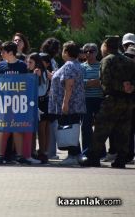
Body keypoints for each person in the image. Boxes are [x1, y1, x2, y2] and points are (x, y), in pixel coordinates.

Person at [81, 36, 135, 168]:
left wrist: (117, 87)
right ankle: (121, 159)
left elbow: (105, 81)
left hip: (111, 99)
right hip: (128, 101)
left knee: (101, 128)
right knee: (123, 130)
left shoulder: (107, 60)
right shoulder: (129, 61)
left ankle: (94, 157)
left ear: (106, 46)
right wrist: (130, 87)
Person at [0, 41, 31, 165]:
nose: (1, 54)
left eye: (3, 51)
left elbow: (25, 83)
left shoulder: (22, 66)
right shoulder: (1, 66)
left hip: (17, 102)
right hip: (2, 102)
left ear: (10, 52)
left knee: (17, 127)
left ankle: (19, 155)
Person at [49, 41, 86, 166]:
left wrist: (65, 103)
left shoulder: (69, 65)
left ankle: (72, 155)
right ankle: (77, 154)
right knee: (73, 129)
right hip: (77, 103)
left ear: (66, 52)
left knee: (69, 128)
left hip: (70, 104)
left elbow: (69, 85)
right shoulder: (77, 64)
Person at [80, 43, 104, 156]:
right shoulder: (82, 66)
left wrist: (89, 82)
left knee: (100, 127)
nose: (89, 53)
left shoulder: (101, 65)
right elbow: (81, 83)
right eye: (86, 51)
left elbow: (103, 82)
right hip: (86, 100)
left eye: (92, 51)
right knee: (86, 127)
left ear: (96, 52)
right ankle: (86, 151)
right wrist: (96, 82)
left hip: (100, 99)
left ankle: (101, 152)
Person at [26, 53, 48, 164]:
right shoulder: (29, 73)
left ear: (37, 63)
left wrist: (37, 76)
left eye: (30, 62)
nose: (28, 64)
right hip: (31, 102)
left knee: (41, 129)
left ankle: (42, 153)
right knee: (32, 129)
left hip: (41, 102)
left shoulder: (41, 72)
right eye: (28, 62)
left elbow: (42, 90)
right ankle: (32, 151)